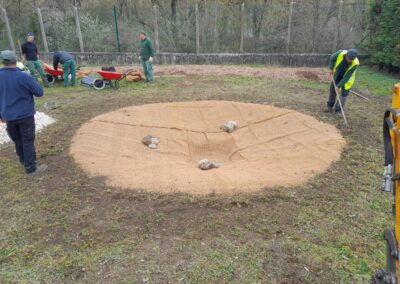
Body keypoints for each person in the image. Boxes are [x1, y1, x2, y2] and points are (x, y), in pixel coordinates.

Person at [0, 50, 48, 176]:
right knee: (27, 140)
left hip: (9, 116)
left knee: (18, 140)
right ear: (15, 61)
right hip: (25, 115)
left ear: (2, 62)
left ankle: (24, 160)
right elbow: (39, 92)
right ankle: (31, 168)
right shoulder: (24, 76)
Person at [324, 49, 360, 115]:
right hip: (338, 74)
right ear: (346, 55)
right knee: (332, 89)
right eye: (348, 58)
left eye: (351, 59)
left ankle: (338, 110)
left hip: (347, 79)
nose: (349, 60)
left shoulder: (355, 63)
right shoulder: (340, 53)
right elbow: (332, 57)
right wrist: (331, 68)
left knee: (344, 94)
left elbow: (347, 77)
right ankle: (329, 106)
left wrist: (338, 86)